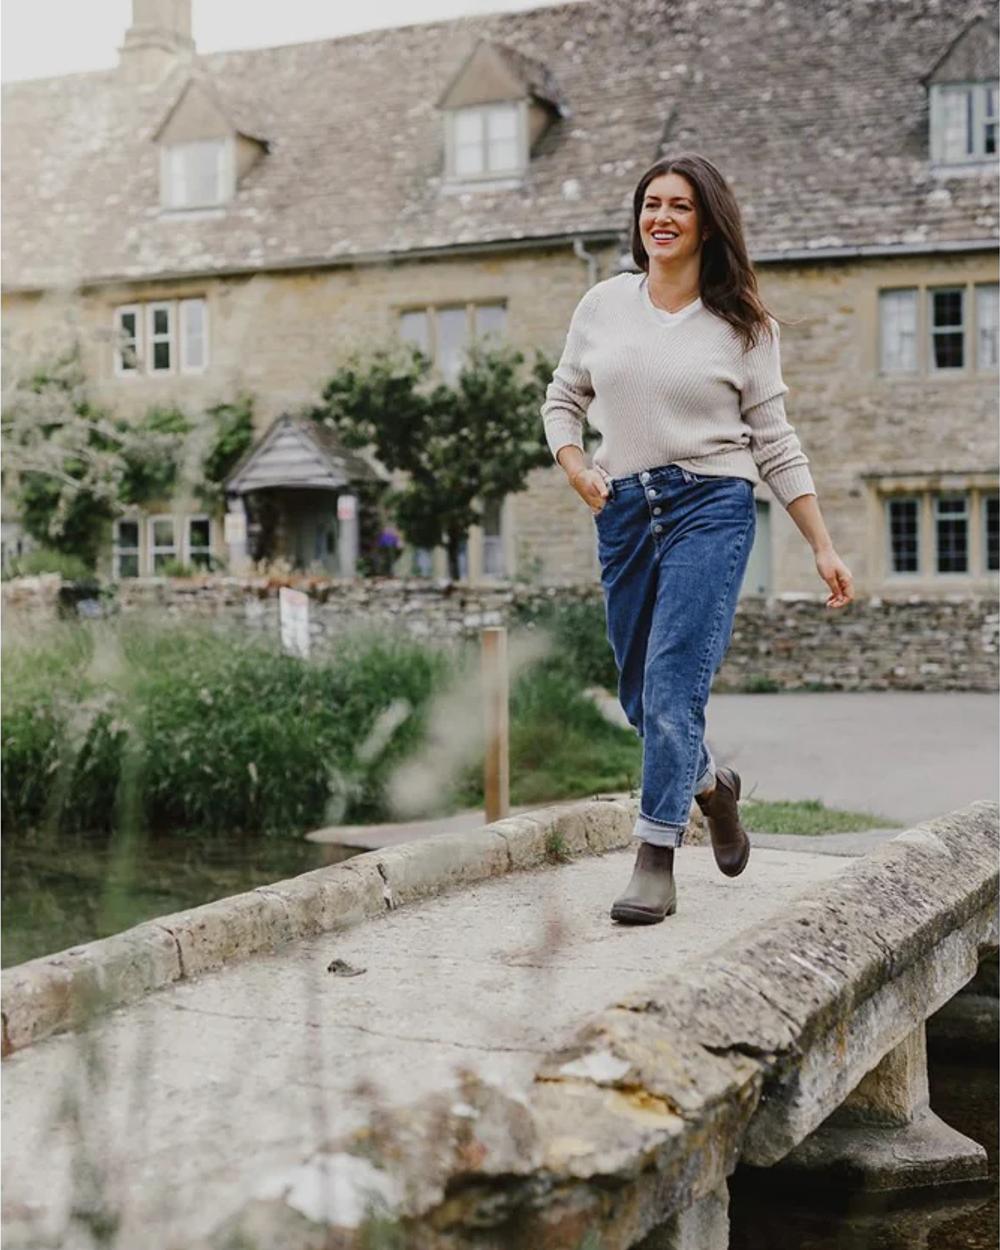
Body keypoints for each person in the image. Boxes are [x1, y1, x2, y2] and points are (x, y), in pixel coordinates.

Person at [540, 153, 854, 925]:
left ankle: (654, 854)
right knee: (641, 697)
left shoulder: (743, 324)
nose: (663, 218)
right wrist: (575, 463)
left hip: (709, 505)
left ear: (707, 222)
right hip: (623, 510)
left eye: (680, 206)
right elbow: (563, 397)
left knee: (675, 683)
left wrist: (820, 542)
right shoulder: (604, 304)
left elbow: (776, 443)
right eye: (652, 204)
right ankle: (714, 789)